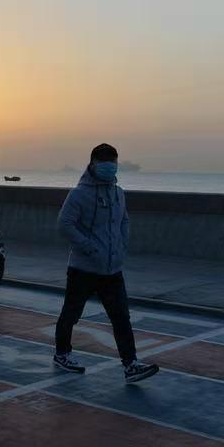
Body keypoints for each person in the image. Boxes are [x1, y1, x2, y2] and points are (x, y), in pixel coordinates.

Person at [54, 143, 159, 383]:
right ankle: (62, 354)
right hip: (83, 268)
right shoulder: (79, 193)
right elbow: (64, 224)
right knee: (71, 314)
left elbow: (124, 221)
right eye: (105, 164)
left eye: (113, 163)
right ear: (92, 164)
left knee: (121, 316)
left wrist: (122, 245)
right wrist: (89, 247)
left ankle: (130, 364)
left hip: (112, 269)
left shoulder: (118, 193)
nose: (110, 168)